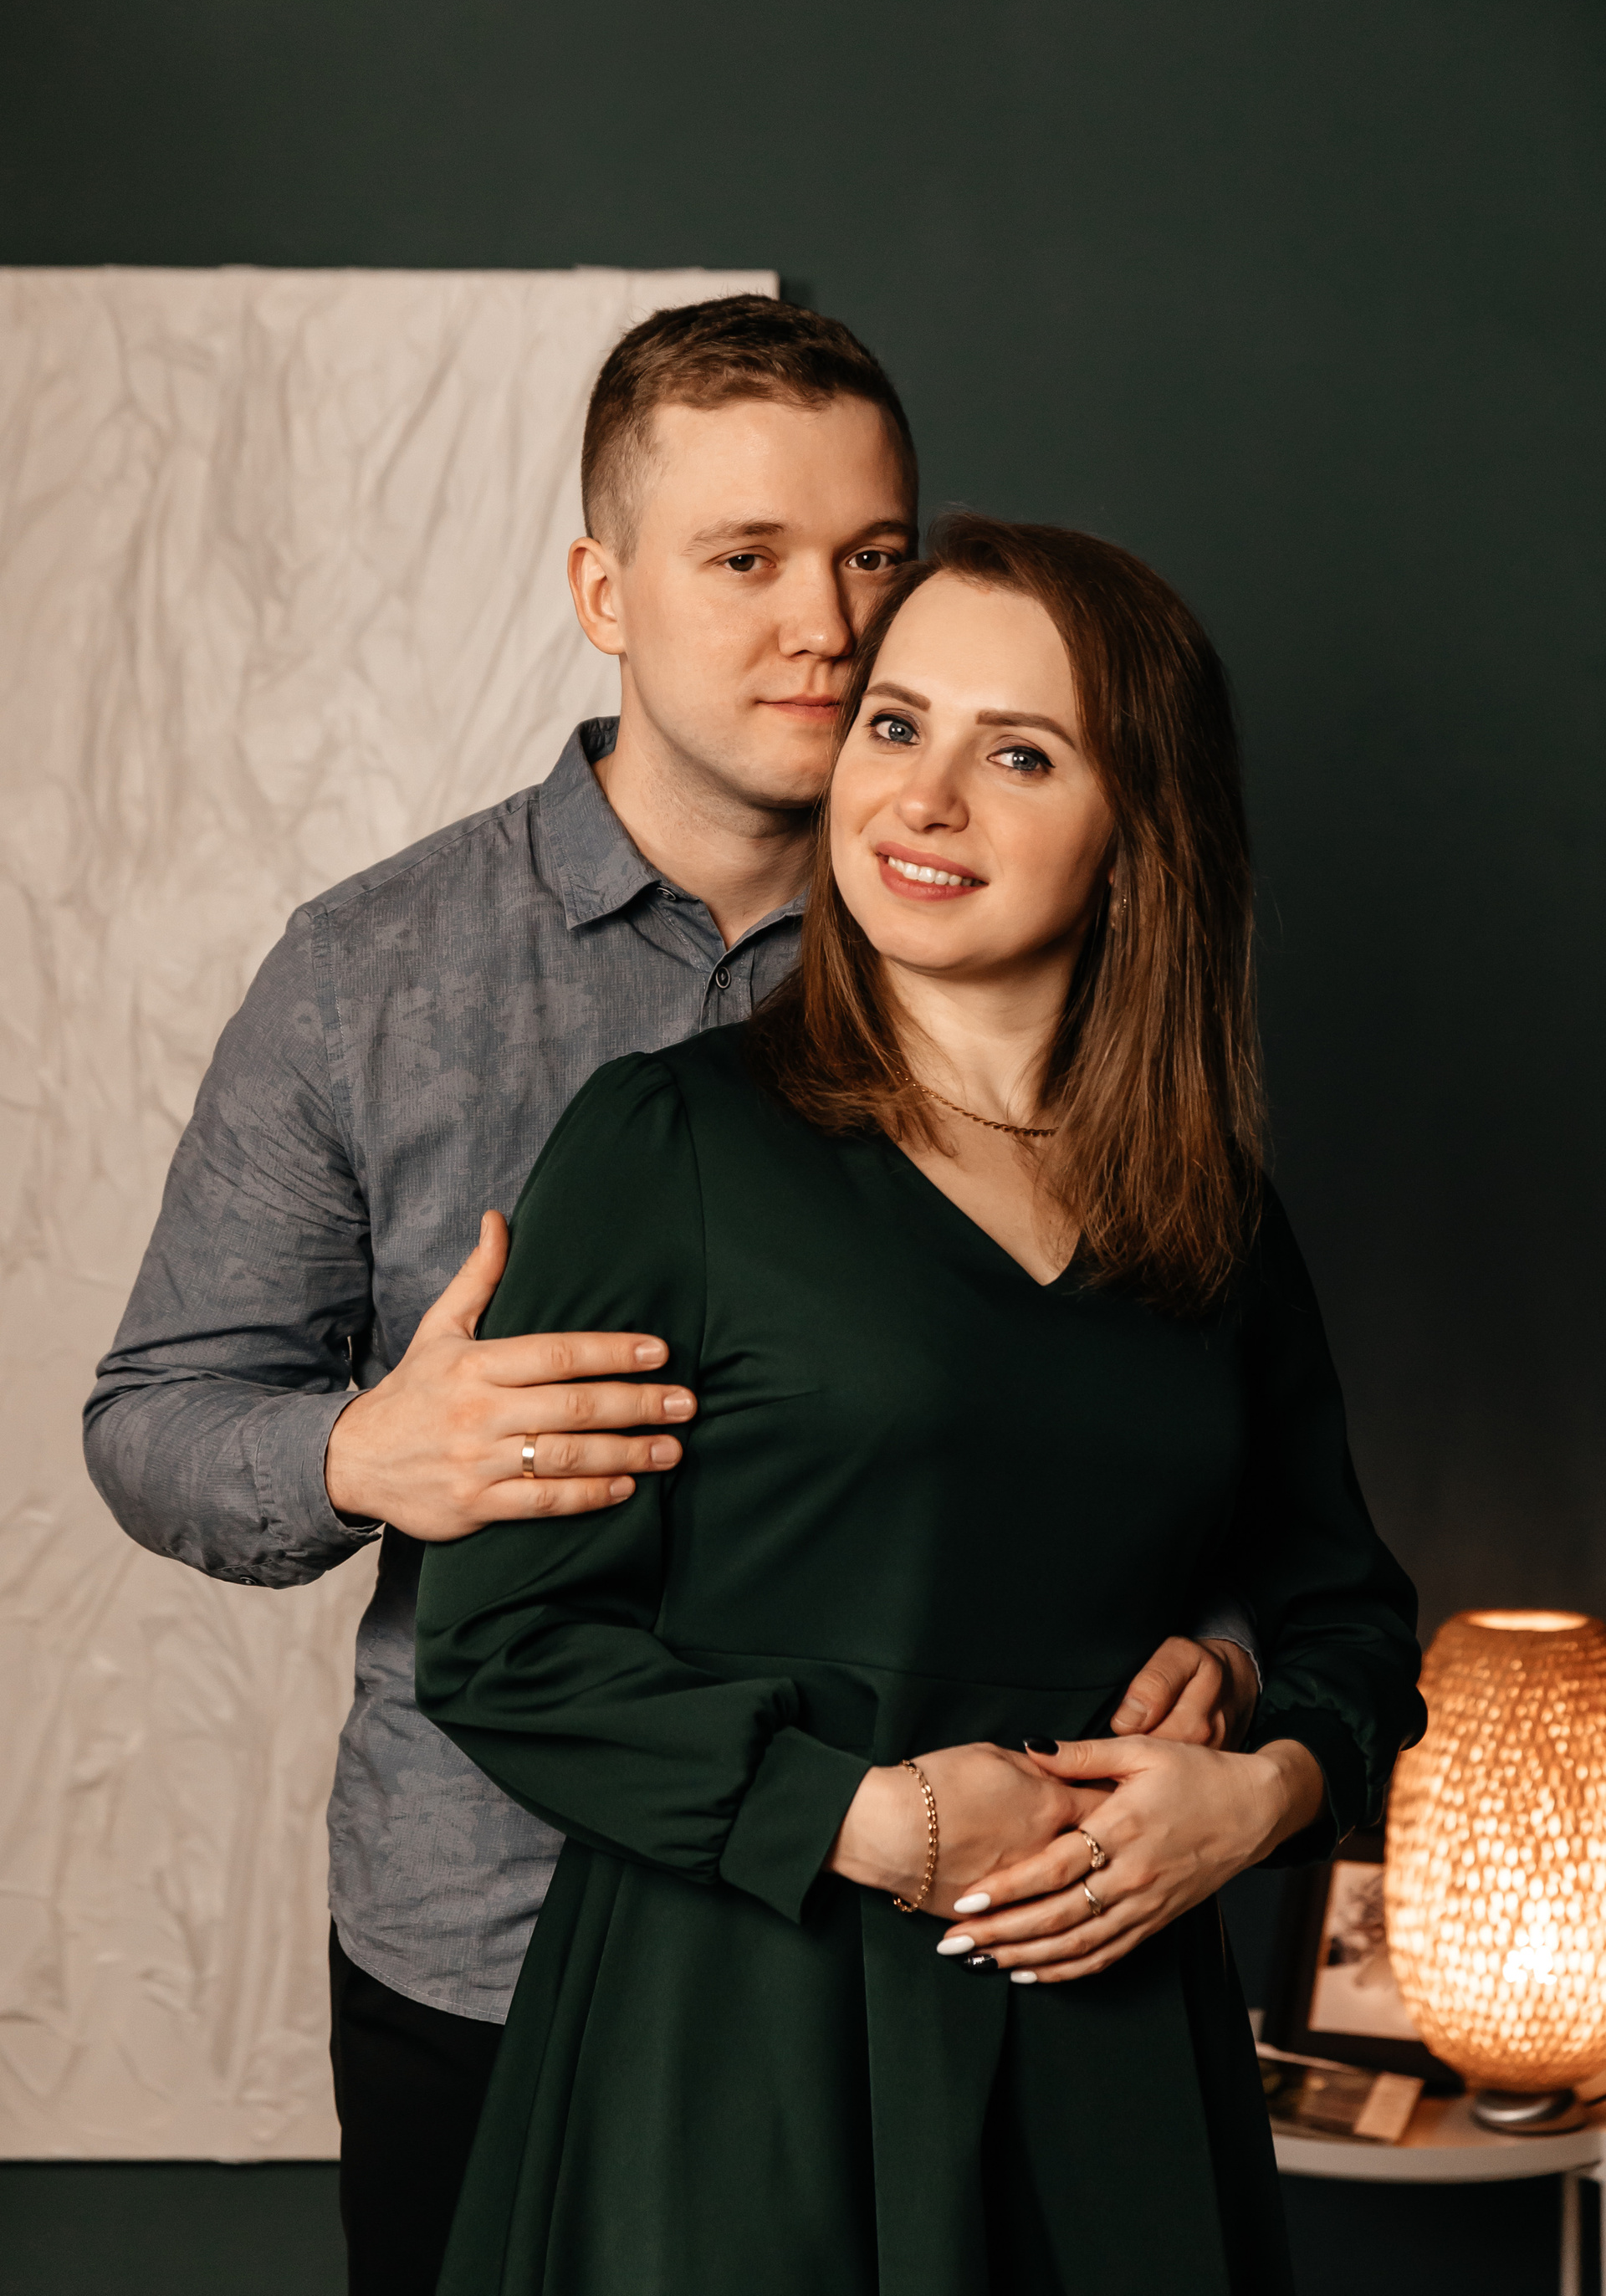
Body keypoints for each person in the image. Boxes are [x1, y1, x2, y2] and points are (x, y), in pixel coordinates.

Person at [82, 299, 1257, 2296]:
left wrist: (1215, 1665)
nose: (830, 624)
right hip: (490, 1929)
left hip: (920, 1955)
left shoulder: (996, 936)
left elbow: (1146, 1416)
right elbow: (154, 1419)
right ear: (602, 594)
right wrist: (363, 1455)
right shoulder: (371, 977)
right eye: (746, 560)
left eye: (870, 555)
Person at [414, 513, 1426, 2296]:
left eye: (1018, 754)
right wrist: (867, 1821)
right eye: (895, 725)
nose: (925, 798)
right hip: (739, 2039)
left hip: (1111, 2051)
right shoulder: (674, 1146)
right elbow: (505, 1648)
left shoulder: (1206, 1214)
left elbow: (1347, 1610)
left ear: (1138, 836)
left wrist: (1258, 1798)